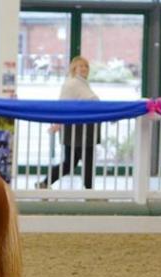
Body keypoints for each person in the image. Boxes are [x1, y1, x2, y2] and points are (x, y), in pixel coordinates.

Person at [36, 56, 100, 190]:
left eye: (86, 66)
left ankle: (45, 183)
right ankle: (89, 192)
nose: (84, 69)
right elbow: (65, 103)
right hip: (78, 129)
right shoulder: (73, 83)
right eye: (80, 66)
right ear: (74, 69)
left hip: (80, 128)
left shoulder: (81, 83)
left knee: (70, 163)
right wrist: (59, 122)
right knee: (82, 161)